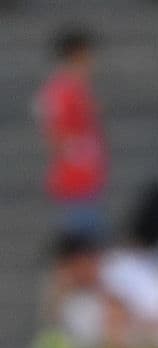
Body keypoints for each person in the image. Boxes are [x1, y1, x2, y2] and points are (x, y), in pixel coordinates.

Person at [33, 26, 108, 236]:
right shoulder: (61, 90)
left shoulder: (80, 88)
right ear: (77, 54)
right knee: (80, 241)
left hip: (88, 175)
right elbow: (54, 133)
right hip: (74, 177)